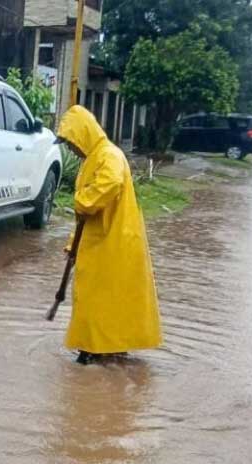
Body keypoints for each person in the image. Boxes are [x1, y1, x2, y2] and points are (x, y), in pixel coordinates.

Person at [56, 105, 162, 364]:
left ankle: (96, 348)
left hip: (114, 242)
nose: (70, 149)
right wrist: (74, 244)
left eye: (71, 143)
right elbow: (85, 217)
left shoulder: (109, 156)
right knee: (95, 297)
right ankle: (99, 347)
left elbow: (107, 186)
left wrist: (82, 200)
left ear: (83, 134)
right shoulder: (93, 159)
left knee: (101, 298)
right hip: (98, 241)